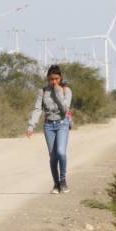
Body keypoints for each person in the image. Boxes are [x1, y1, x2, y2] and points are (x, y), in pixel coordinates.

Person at [26, 65, 73, 194]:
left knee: (61, 152)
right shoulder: (42, 91)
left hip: (62, 123)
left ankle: (63, 180)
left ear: (60, 78)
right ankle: (56, 183)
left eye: (56, 79)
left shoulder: (66, 90)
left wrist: (58, 92)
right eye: (51, 79)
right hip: (48, 125)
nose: (54, 82)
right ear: (47, 79)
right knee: (53, 156)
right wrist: (31, 126)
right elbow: (37, 109)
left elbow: (65, 109)